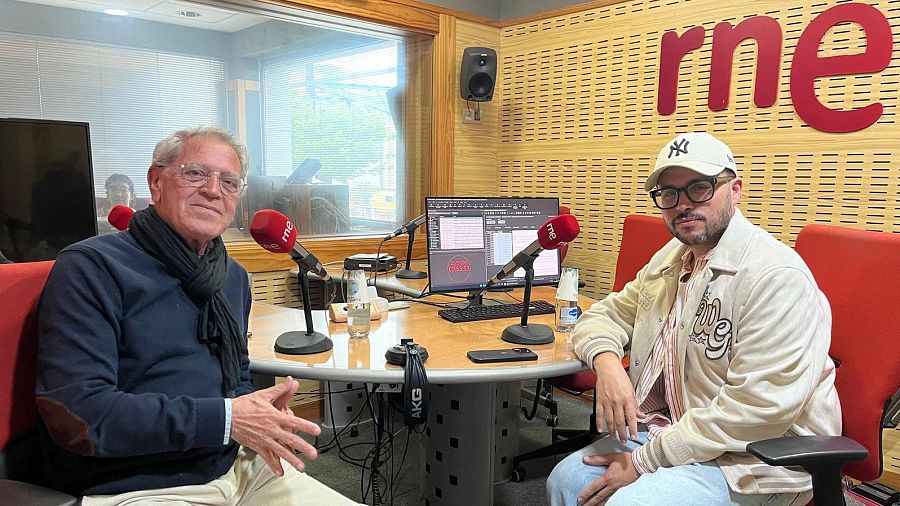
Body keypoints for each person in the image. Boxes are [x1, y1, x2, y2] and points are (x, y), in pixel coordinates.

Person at [36, 127, 360, 505]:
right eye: (195, 173)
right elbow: (81, 413)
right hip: (136, 484)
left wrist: (257, 411)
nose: (212, 190)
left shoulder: (231, 276)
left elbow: (236, 376)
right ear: (155, 182)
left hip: (235, 464)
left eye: (229, 182)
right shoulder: (91, 267)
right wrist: (228, 419)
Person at [546, 132, 840, 506]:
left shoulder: (775, 277)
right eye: (669, 194)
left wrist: (643, 460)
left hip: (754, 459)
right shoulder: (673, 256)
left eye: (699, 187)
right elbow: (604, 315)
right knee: (566, 481)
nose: (682, 204)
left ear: (735, 189)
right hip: (672, 429)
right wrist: (607, 364)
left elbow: (756, 410)